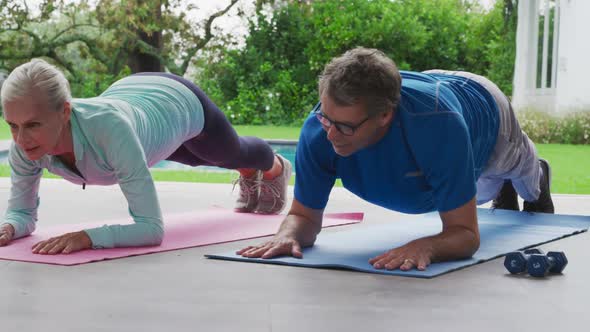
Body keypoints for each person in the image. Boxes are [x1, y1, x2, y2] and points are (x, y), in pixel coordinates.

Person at [238, 47, 554, 271]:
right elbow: (304, 218)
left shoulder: (438, 127)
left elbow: (467, 235)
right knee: (482, 194)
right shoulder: (318, 130)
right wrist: (287, 234)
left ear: (385, 116)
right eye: (326, 118)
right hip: (427, 94)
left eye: (345, 126)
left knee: (521, 179)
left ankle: (536, 176)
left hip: (481, 106)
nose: (331, 134)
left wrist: (427, 245)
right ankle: (502, 188)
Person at [0, 59, 292, 255]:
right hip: (138, 111)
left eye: (33, 125)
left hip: (173, 99)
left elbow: (151, 229)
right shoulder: (25, 148)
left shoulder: (109, 130)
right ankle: (247, 173)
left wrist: (87, 237)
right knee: (193, 159)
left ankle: (272, 168)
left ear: (65, 111)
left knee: (226, 154)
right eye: (12, 125)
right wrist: (10, 226)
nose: (21, 139)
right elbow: (22, 214)